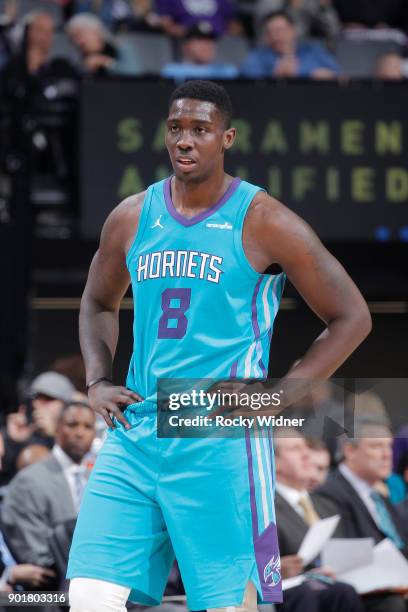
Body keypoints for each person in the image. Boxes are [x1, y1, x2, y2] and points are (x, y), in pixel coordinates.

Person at [66, 79, 371, 612]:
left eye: (200, 130)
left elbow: (352, 316)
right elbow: (96, 301)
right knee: (89, 597)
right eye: (176, 128)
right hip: (137, 432)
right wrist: (96, 380)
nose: (185, 140)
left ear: (226, 138)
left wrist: (279, 396)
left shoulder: (265, 219)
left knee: (228, 606)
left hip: (219, 436)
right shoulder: (133, 215)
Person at [1, 398, 96, 577]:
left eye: (87, 426)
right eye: (72, 425)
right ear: (57, 429)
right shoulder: (29, 480)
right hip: (54, 588)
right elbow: (35, 553)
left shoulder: (99, 478)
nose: (80, 433)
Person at [274, 430, 364, 612]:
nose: (306, 454)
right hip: (293, 594)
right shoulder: (264, 507)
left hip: (336, 586)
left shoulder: (327, 505)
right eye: (295, 449)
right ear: (274, 461)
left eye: (305, 447)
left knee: (345, 592)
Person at [240, 10, 341, 79]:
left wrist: (300, 72)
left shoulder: (313, 51)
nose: (275, 37)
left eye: (279, 31)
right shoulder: (259, 55)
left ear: (293, 30)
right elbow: (245, 75)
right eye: (270, 32)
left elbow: (337, 74)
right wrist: (274, 74)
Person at [66, 13, 141, 76]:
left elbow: (134, 74)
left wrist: (105, 62)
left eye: (80, 34)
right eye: (73, 38)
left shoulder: (121, 47)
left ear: (97, 31)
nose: (78, 42)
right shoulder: (77, 58)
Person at [161, 23, 238, 82]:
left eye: (210, 40)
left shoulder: (227, 72)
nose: (207, 45)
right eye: (200, 39)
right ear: (186, 46)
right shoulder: (172, 71)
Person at [155, 0, 239, 37]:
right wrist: (188, 33)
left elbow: (234, 25)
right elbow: (166, 24)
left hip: (219, 43)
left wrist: (226, 36)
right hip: (187, 41)